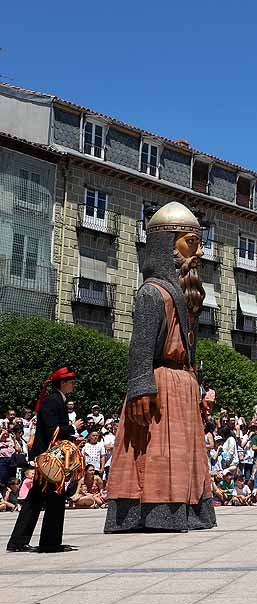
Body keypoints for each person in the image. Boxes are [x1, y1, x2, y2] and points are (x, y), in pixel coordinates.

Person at [105, 202, 216, 533]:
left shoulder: (181, 294)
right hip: (160, 385)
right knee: (157, 452)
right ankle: (151, 513)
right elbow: (140, 346)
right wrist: (141, 385)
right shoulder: (153, 293)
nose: (198, 253)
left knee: (182, 455)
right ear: (169, 246)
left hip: (180, 384)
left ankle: (187, 511)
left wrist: (197, 387)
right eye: (191, 244)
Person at [7, 367, 78, 553]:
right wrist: (72, 428)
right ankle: (48, 543)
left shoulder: (58, 401)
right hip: (48, 459)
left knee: (39, 498)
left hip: (52, 458)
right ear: (62, 383)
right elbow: (51, 430)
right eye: (71, 381)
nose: (73, 384)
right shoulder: (52, 402)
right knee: (50, 498)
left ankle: (23, 541)